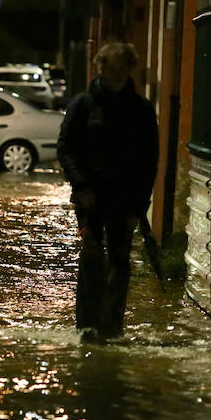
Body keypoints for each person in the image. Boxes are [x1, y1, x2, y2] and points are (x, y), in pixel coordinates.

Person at [57, 41, 159, 341]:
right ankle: (87, 325)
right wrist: (81, 185)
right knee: (91, 256)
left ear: (129, 70)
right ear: (100, 69)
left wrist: (138, 207)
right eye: (111, 70)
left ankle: (112, 327)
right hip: (90, 196)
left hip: (124, 198)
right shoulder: (83, 105)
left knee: (119, 259)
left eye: (121, 70)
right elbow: (66, 147)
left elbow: (148, 161)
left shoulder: (141, 110)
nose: (116, 76)